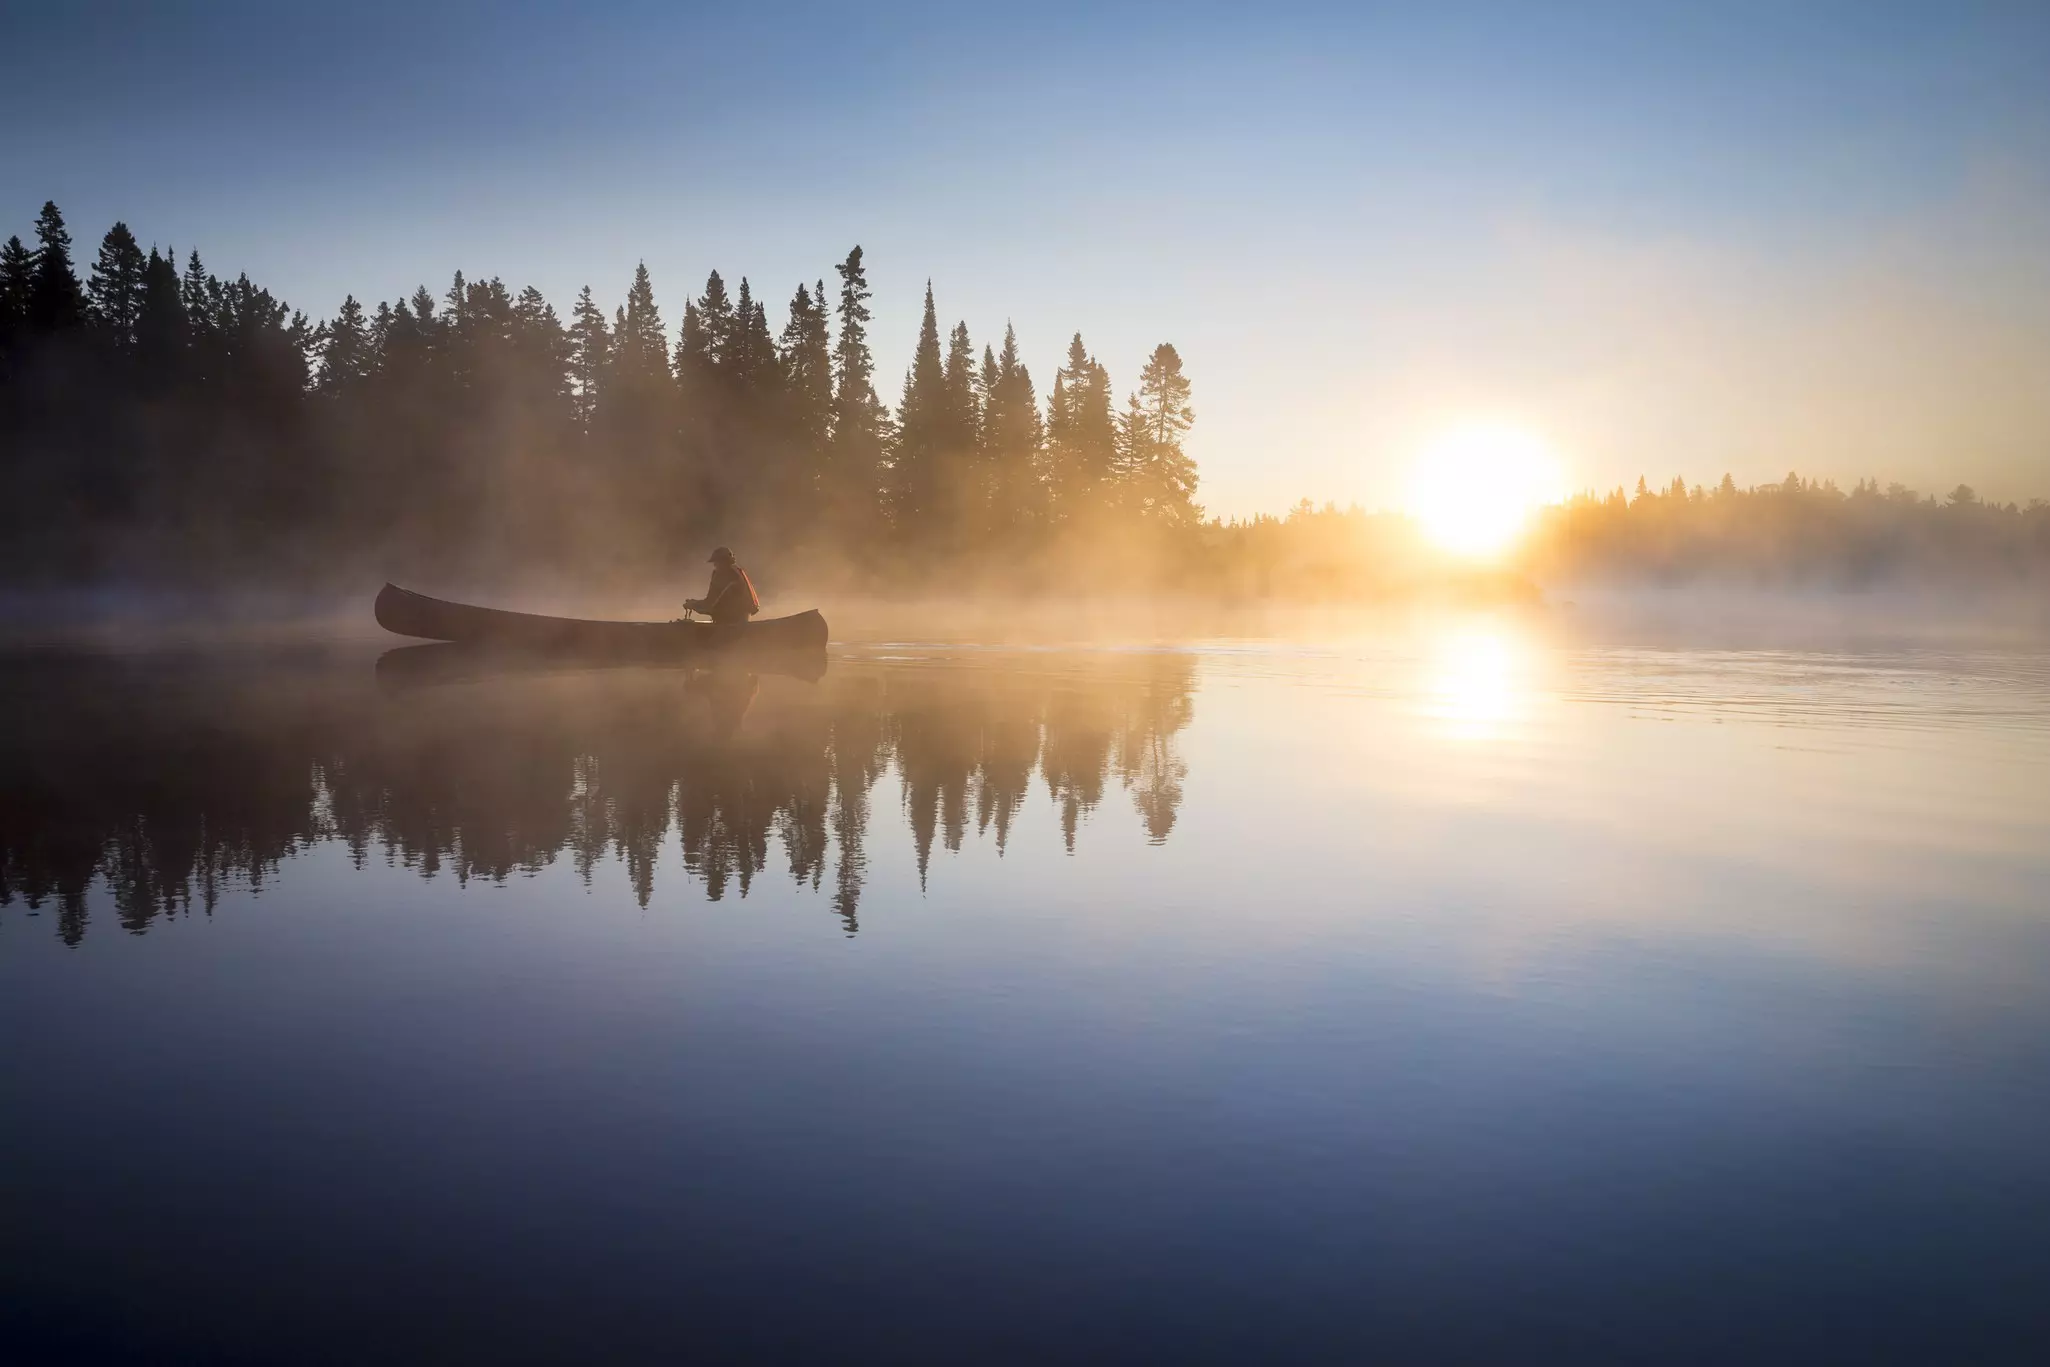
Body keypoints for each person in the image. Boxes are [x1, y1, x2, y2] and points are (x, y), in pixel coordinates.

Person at [684, 546, 761, 625]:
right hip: (735, 619)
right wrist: (694, 603)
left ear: (725, 562)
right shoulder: (733, 572)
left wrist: (693, 604)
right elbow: (712, 602)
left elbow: (710, 604)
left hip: (733, 621)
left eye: (717, 562)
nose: (715, 565)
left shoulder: (729, 576)